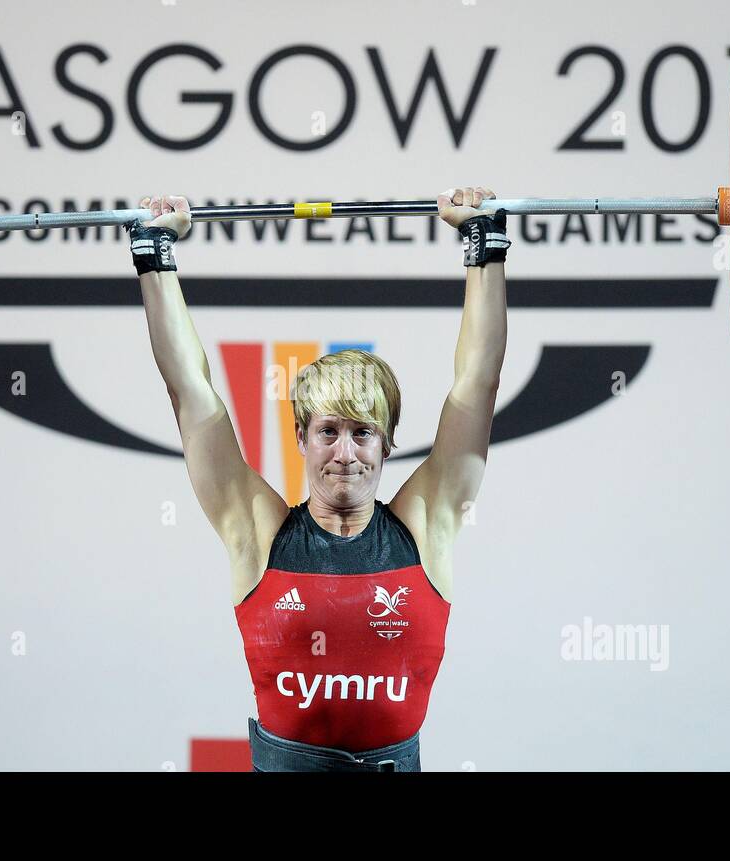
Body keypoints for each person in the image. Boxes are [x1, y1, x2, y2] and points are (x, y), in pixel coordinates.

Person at [132, 188, 508, 771]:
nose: (345, 453)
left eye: (363, 433)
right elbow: (192, 394)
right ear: (302, 439)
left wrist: (483, 249)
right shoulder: (258, 533)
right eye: (328, 432)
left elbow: (477, 385)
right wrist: (156, 258)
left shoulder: (425, 524)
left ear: (387, 444)